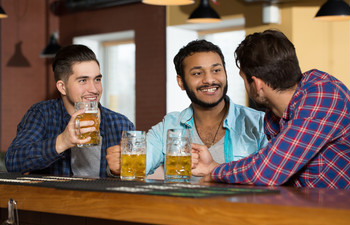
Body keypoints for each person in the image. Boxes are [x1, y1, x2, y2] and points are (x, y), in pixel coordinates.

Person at [192, 29, 350, 190]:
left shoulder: (323, 96)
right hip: (320, 210)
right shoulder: (274, 117)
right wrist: (214, 167)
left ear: (257, 84)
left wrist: (215, 172)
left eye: (244, 79)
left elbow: (266, 172)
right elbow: (271, 167)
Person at [106, 39, 268, 178]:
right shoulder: (169, 126)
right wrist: (118, 166)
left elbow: (271, 179)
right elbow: (139, 164)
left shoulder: (260, 123)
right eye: (197, 73)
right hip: (180, 213)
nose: (209, 79)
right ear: (181, 82)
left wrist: (214, 168)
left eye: (216, 70)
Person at [5, 44, 134, 177]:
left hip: (104, 198)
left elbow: (135, 181)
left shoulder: (121, 124)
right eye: (83, 80)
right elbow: (13, 162)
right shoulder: (42, 114)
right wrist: (62, 141)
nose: (94, 89)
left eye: (97, 79)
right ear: (62, 87)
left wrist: (117, 172)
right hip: (58, 198)